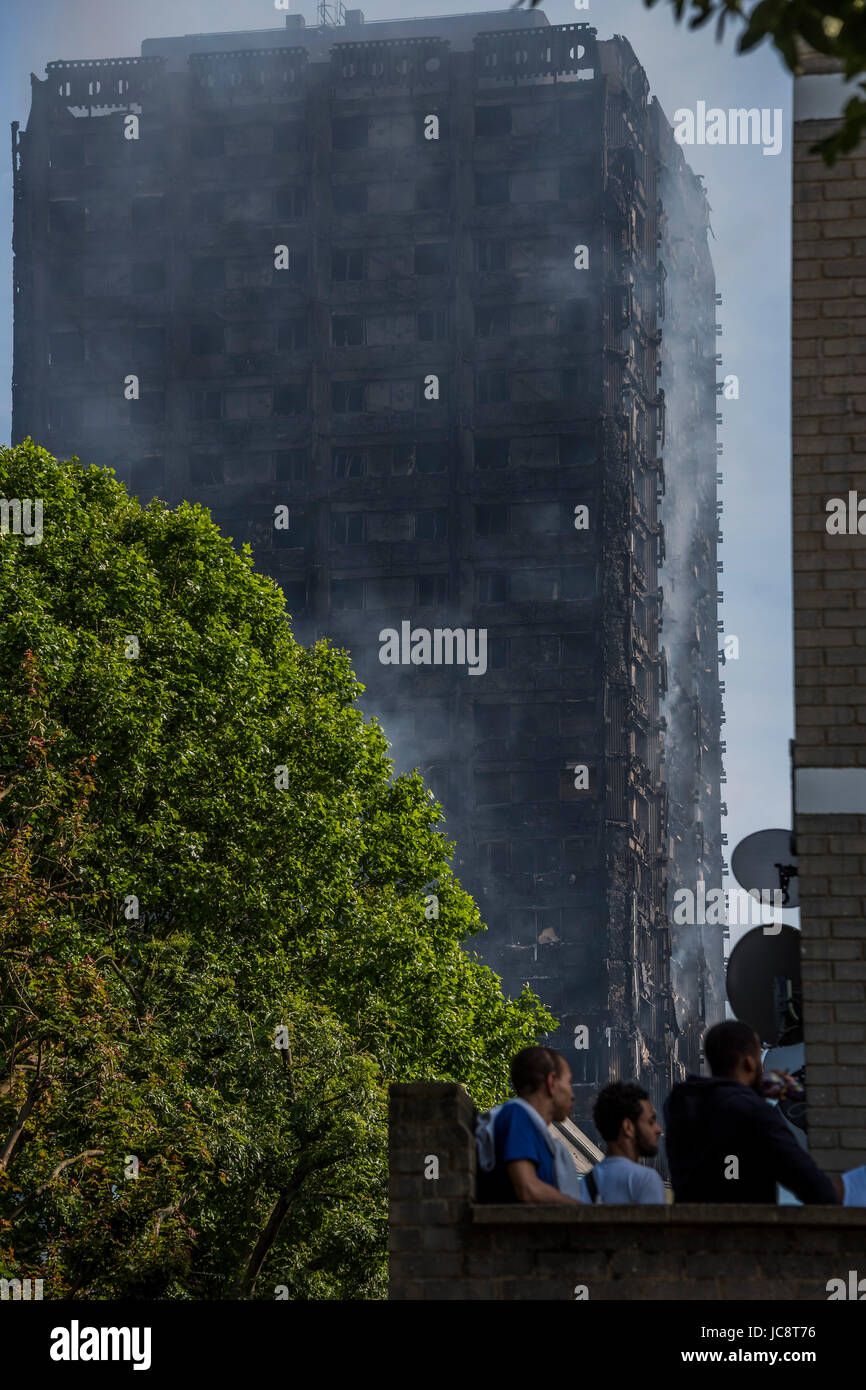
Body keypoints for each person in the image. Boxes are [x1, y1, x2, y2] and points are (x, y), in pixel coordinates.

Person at [664, 1019, 838, 1204]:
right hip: (743, 1228)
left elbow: (723, 1107)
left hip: (691, 1227)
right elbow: (814, 1187)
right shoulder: (757, 1115)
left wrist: (749, 1090)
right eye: (758, 1056)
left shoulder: (680, 1106)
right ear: (748, 1062)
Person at [476, 1046, 582, 1204]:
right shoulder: (516, 1115)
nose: (572, 1095)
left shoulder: (531, 1127)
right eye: (569, 1082)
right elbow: (528, 1189)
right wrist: (581, 1210)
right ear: (551, 1082)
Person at [579, 1082, 666, 1204]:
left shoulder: (583, 1185)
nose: (658, 1129)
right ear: (628, 1127)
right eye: (651, 1122)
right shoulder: (647, 1180)